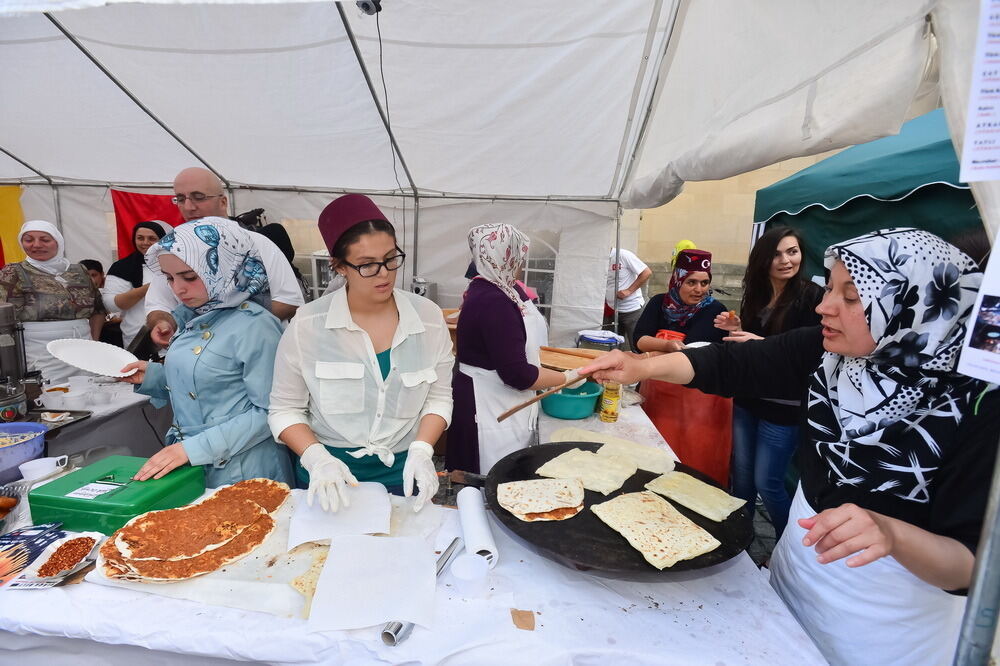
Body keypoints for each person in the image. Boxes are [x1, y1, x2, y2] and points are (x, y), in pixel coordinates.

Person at [581, 228, 997, 666]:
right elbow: (730, 362)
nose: (823, 305)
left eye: (851, 296)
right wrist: (638, 365)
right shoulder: (830, 353)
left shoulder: (978, 405)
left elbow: (973, 566)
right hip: (795, 577)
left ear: (914, 305)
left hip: (888, 624)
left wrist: (892, 532)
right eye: (830, 287)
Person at [268, 194, 452, 513]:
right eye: (367, 265)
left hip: (403, 477)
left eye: (391, 258)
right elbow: (285, 409)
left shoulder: (428, 319)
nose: (384, 273)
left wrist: (422, 450)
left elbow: (438, 398)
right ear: (339, 267)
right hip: (329, 479)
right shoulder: (308, 327)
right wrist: (317, 460)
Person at [120, 217, 293, 487]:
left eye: (189, 277)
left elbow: (271, 411)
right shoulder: (193, 316)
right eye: (169, 278)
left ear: (225, 267)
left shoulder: (255, 325)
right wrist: (154, 376)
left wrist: (192, 449)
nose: (178, 288)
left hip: (245, 469)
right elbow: (211, 384)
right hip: (197, 461)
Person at [713, 226, 823, 537]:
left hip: (784, 406)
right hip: (748, 398)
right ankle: (739, 540)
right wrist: (737, 327)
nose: (786, 260)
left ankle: (788, 549)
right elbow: (751, 345)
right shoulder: (757, 293)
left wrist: (758, 341)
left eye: (793, 251)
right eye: (777, 253)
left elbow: (811, 354)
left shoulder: (812, 297)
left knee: (768, 482)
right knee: (742, 478)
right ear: (763, 258)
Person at [447, 224, 582, 475]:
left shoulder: (500, 288)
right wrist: (566, 378)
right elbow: (517, 375)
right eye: (518, 256)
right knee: (488, 479)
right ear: (504, 257)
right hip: (487, 403)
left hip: (503, 398)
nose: (520, 263)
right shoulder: (493, 301)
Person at [144, 167, 304, 347]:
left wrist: (224, 330)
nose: (189, 206)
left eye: (199, 197)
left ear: (223, 201)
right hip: (190, 355)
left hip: (254, 350)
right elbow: (158, 305)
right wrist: (163, 323)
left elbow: (289, 302)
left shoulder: (257, 244)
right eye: (180, 199)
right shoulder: (172, 248)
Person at [0, 221, 105, 383]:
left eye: (45, 239)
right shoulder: (13, 273)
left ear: (58, 241)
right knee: (50, 396)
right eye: (29, 240)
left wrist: (94, 341)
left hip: (84, 347)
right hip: (40, 352)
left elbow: (98, 309)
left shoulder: (80, 271)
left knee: (89, 390)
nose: (36, 245)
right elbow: (4, 320)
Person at [632, 248, 726, 352]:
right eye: (691, 282)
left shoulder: (716, 311)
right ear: (677, 281)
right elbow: (639, 340)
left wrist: (735, 329)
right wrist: (667, 345)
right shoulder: (659, 302)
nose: (699, 289)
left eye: (704, 283)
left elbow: (725, 349)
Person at [102, 221, 168, 349]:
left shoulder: (175, 264)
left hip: (174, 335)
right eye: (140, 238)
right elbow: (111, 305)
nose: (145, 242)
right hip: (139, 337)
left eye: (152, 238)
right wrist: (148, 288)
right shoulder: (122, 267)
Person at [604, 247, 651, 351]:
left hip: (632, 310)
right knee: (612, 349)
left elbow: (646, 272)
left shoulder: (622, 255)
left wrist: (629, 291)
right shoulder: (600, 259)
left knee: (637, 347)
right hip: (612, 310)